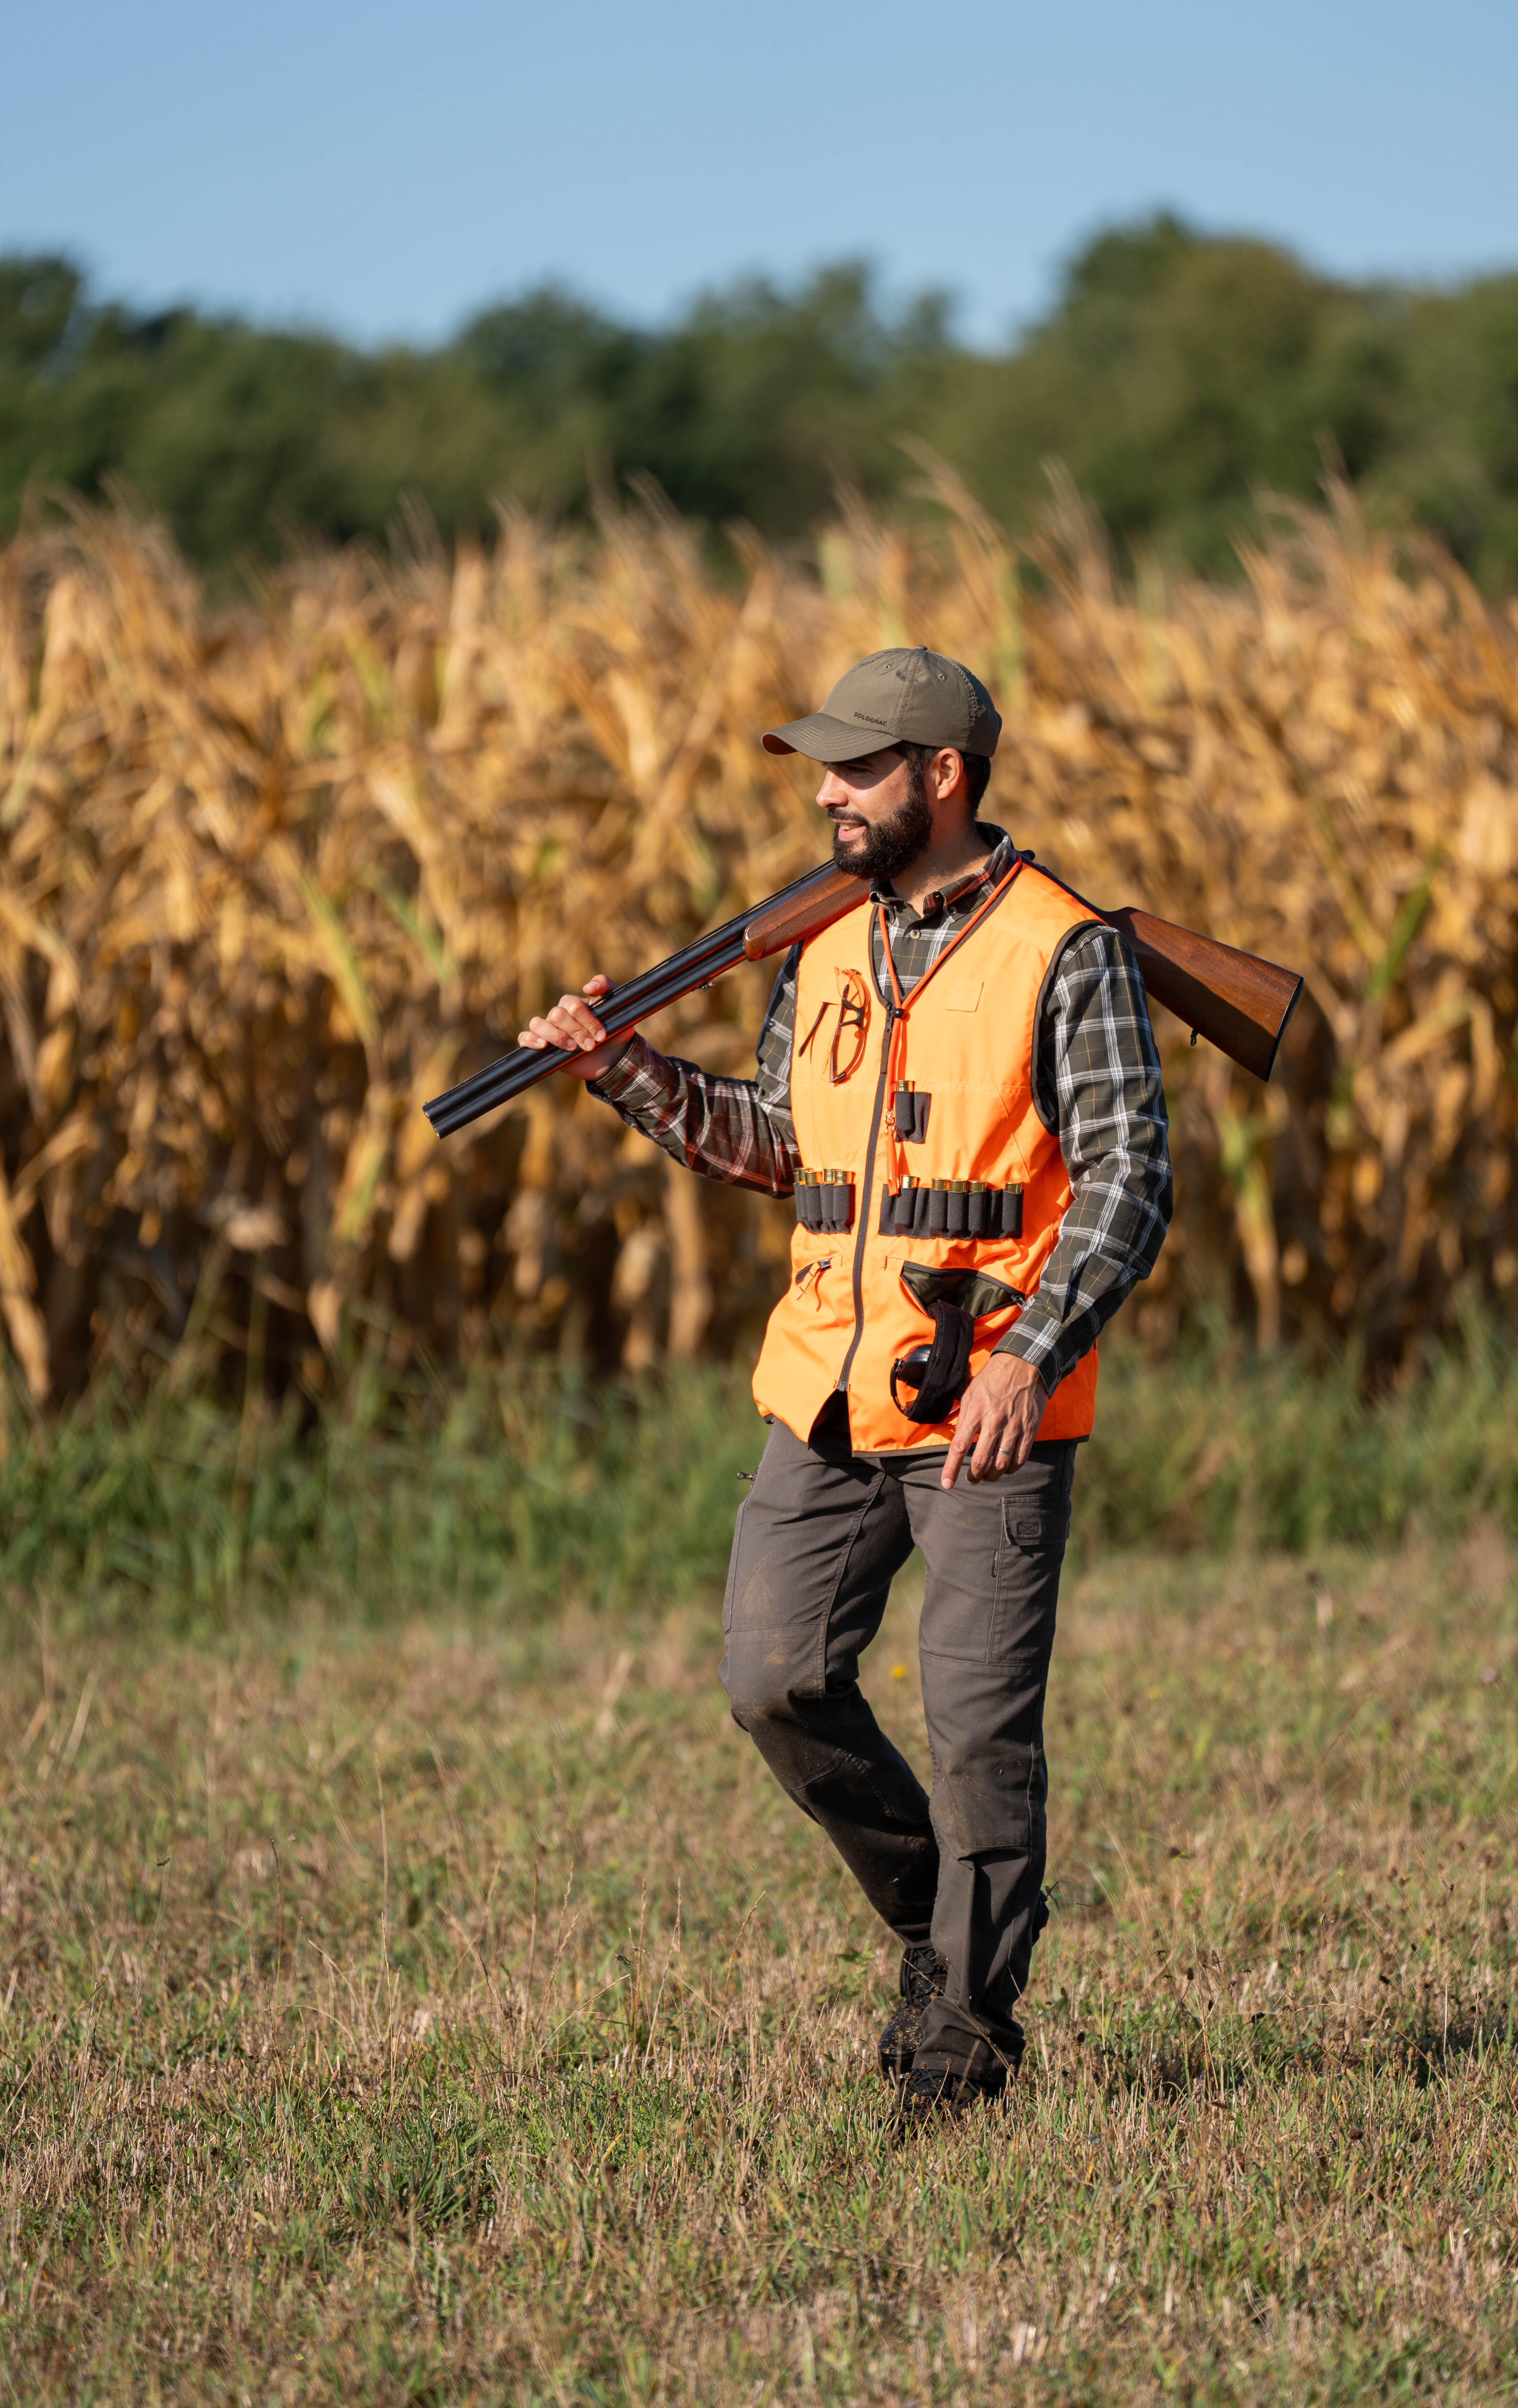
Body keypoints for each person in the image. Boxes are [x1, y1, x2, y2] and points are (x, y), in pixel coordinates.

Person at [519, 647, 1172, 2131]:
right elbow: (780, 1143)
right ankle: (944, 1923)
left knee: (981, 1739)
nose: (826, 793)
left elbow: (1132, 1175)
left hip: (985, 1404)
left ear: (942, 776)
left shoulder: (1065, 950)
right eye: (823, 768)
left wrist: (1030, 1357)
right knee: (773, 1678)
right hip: (823, 1393)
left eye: (857, 768)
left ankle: (962, 2050)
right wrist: (622, 1070)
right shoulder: (825, 945)